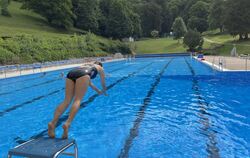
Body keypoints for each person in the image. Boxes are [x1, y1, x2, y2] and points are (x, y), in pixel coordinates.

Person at [48, 61, 107, 139]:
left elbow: (89, 83)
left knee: (67, 100)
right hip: (83, 75)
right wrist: (104, 90)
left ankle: (53, 122)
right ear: (100, 65)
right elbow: (103, 81)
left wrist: (98, 91)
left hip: (71, 73)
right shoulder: (100, 68)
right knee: (77, 100)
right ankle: (67, 123)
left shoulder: (87, 65)